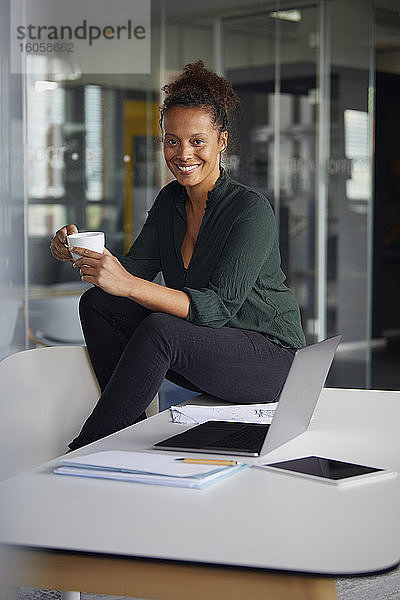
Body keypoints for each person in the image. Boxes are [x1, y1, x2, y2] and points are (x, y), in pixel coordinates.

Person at [50, 61, 306, 451]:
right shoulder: (170, 200)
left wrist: (129, 284)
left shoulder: (250, 209)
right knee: (100, 303)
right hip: (211, 347)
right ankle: (127, 428)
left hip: (271, 360)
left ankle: (87, 446)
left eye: (197, 141)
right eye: (172, 140)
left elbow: (216, 308)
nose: (183, 153)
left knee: (161, 329)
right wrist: (81, 252)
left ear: (222, 141)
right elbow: (133, 271)